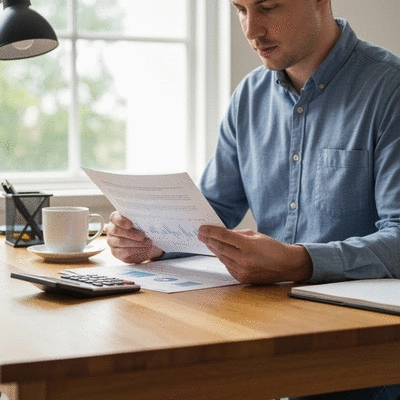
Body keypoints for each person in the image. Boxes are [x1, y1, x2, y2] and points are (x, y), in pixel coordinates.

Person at [106, 0, 400, 398]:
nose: (250, 30)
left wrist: (298, 261)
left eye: (267, 7)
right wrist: (152, 240)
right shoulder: (249, 96)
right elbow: (209, 216)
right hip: (262, 336)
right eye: (240, 9)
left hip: (359, 356)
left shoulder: (389, 89)